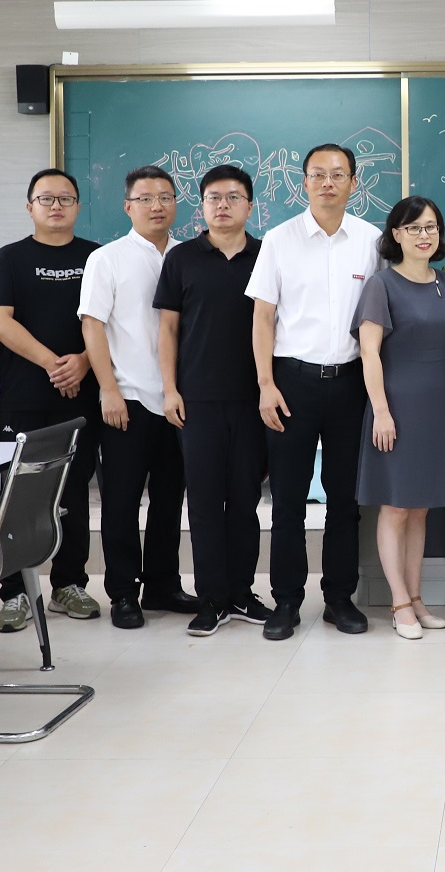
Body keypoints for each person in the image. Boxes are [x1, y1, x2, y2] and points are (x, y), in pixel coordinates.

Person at [248, 143, 381, 642]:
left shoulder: (371, 240)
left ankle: (339, 598)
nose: (328, 182)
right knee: (287, 500)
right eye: (318, 174)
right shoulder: (279, 240)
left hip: (351, 383)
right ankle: (286, 601)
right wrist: (265, 384)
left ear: (353, 182)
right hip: (292, 383)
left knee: (346, 499)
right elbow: (263, 317)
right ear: (303, 182)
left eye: (338, 174)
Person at [78, 166, 201, 630]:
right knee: (121, 502)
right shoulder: (107, 258)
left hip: (179, 400)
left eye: (165, 197)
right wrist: (108, 390)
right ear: (127, 206)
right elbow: (92, 325)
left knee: (170, 499)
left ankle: (163, 585)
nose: (157, 206)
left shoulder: (189, 256)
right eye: (146, 198)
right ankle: (124, 592)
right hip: (126, 399)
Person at [0, 169, 102, 632]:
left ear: (78, 206)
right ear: (29, 206)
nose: (56, 206)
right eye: (46, 198)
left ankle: (69, 585)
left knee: (74, 493)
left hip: (82, 396)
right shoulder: (8, 259)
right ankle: (13, 591)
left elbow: (112, 322)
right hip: (24, 397)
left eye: (65, 198)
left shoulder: (96, 257)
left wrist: (85, 362)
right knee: (19, 494)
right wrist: (57, 365)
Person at [155, 165, 270, 637]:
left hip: (253, 400)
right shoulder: (182, 258)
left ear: (250, 205)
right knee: (203, 503)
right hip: (197, 400)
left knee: (245, 501)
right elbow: (167, 329)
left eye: (233, 197)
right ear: (202, 205)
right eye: (214, 197)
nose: (223, 205)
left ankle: (241, 593)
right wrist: (169, 389)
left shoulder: (267, 256)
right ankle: (211, 600)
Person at [353, 197, 445, 640]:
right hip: (395, 405)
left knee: (420, 509)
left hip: (436, 405)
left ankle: (416, 599)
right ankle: (399, 603)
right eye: (413, 227)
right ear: (396, 234)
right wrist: (381, 410)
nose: (423, 235)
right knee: (396, 506)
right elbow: (369, 352)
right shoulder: (381, 285)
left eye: (431, 226)